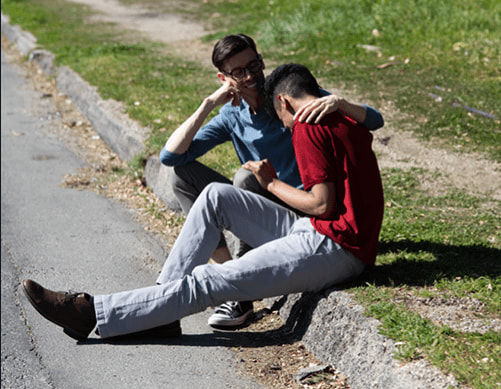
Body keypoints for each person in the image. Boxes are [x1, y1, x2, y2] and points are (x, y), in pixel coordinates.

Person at [22, 63, 385, 342]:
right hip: (320, 231)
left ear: (283, 101)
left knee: (212, 279)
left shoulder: (307, 126)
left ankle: (95, 314)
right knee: (216, 195)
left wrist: (270, 182)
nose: (285, 126)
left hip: (336, 247)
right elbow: (372, 121)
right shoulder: (341, 113)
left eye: (282, 118)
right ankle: (157, 311)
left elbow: (322, 204)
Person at [160, 33, 384, 328]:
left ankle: (236, 290)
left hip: (310, 211)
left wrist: (339, 103)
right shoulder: (231, 116)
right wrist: (209, 104)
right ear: (223, 78)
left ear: (261, 60)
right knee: (181, 176)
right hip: (270, 205)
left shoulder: (286, 95)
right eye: (238, 72)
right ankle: (232, 283)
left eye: (253, 65)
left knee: (244, 178)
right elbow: (170, 156)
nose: (251, 75)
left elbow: (375, 121)